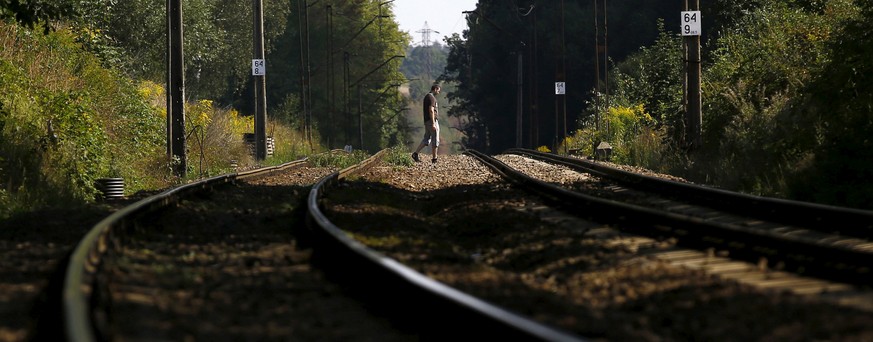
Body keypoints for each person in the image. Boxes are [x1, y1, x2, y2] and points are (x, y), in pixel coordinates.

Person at [412, 84, 441, 164]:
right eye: (438, 90)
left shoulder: (427, 97)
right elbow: (431, 110)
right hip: (432, 121)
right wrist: (433, 123)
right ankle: (434, 159)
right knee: (435, 138)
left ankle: (415, 153)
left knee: (427, 138)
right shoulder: (431, 98)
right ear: (435, 89)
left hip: (427, 121)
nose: (439, 92)